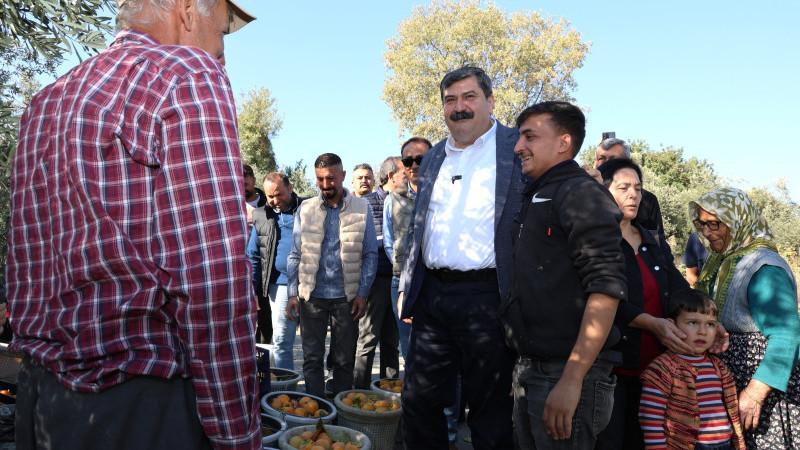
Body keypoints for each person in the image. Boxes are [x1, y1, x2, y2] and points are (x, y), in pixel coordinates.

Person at [6, 1, 260, 449]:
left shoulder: (44, 103)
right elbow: (213, 279)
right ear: (186, 10)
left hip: (44, 400)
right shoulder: (188, 73)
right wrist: (237, 432)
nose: (222, 52)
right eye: (222, 31)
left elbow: (25, 266)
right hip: (143, 405)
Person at [398, 66, 523, 449]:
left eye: (469, 97)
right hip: (433, 297)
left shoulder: (516, 147)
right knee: (418, 399)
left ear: (490, 101)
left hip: (489, 297)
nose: (459, 107)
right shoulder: (434, 156)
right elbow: (420, 227)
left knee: (490, 411)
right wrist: (407, 286)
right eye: (450, 100)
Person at [503, 101, 628, 449]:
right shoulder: (539, 193)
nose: (518, 147)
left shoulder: (581, 193)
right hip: (532, 371)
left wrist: (572, 380)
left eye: (530, 136)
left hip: (569, 375)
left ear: (563, 143)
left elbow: (605, 289)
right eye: (519, 137)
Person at [690, 187, 800, 449]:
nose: (706, 233)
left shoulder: (764, 267)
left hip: (764, 391)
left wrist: (756, 392)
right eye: (702, 225)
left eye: (714, 224)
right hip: (735, 386)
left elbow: (786, 333)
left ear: (736, 220)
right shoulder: (722, 261)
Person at [594, 159, 693, 449]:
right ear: (603, 190)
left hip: (656, 370)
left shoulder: (651, 241)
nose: (633, 195)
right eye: (623, 187)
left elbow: (678, 289)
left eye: (638, 188)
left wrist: (707, 319)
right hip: (611, 368)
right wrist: (649, 322)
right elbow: (599, 297)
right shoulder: (596, 239)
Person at [286, 153, 378, 397]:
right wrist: (292, 293)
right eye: (320, 179)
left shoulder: (362, 208)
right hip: (312, 296)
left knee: (344, 360)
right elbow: (295, 254)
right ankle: (317, 412)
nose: (326, 185)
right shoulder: (305, 209)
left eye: (331, 178)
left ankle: (341, 415)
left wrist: (362, 294)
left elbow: (370, 254)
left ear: (343, 176)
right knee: (311, 359)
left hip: (346, 298)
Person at [639, 289, 745, 450]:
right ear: (671, 325)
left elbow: (730, 409)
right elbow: (650, 417)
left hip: (725, 444)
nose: (702, 331)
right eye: (693, 323)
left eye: (710, 324)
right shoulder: (663, 369)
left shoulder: (718, 366)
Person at [247, 172, 305, 367]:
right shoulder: (262, 215)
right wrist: (252, 292)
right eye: (270, 196)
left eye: (279, 194)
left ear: (290, 188)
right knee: (281, 341)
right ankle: (285, 391)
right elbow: (253, 255)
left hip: (310, 283)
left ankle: (313, 391)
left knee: (313, 343)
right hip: (279, 286)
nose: (275, 200)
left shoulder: (307, 208)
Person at [353, 157, 401, 388]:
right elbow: (363, 243)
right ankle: (359, 391)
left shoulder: (406, 200)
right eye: (404, 172)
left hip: (399, 279)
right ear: (392, 176)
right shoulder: (367, 203)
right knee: (369, 337)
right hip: (376, 280)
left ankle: (389, 388)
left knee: (392, 340)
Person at [383, 137, 432, 361]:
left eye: (420, 159)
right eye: (408, 160)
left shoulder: (445, 193)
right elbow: (389, 240)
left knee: (439, 348)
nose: (414, 165)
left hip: (437, 281)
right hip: (402, 282)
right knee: (408, 348)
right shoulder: (393, 199)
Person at [586, 137, 665, 236]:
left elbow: (657, 240)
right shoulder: (584, 196)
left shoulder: (648, 201)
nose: (607, 163)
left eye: (613, 159)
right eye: (601, 158)